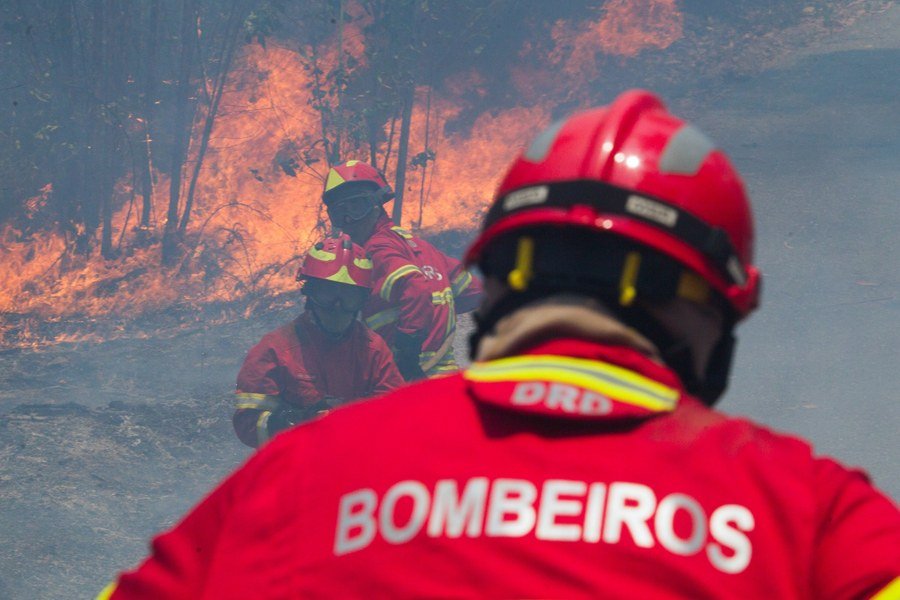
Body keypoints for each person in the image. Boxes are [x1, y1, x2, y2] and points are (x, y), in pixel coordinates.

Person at [98, 90, 899, 599]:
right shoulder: (811, 515)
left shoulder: (301, 479)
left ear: (509, 273)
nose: (354, 212)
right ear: (712, 308)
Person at [231, 233, 403, 448]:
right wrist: (291, 422)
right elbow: (247, 423)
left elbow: (398, 417)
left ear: (362, 300)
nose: (337, 308)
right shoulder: (275, 349)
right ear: (309, 293)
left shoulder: (373, 351)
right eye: (327, 294)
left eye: (349, 297)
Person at [322, 159, 482, 380]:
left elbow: (416, 287)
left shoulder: (377, 249)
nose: (348, 219)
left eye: (357, 207)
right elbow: (472, 292)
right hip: (444, 376)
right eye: (339, 214)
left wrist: (407, 348)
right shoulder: (420, 247)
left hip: (410, 379)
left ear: (377, 204)